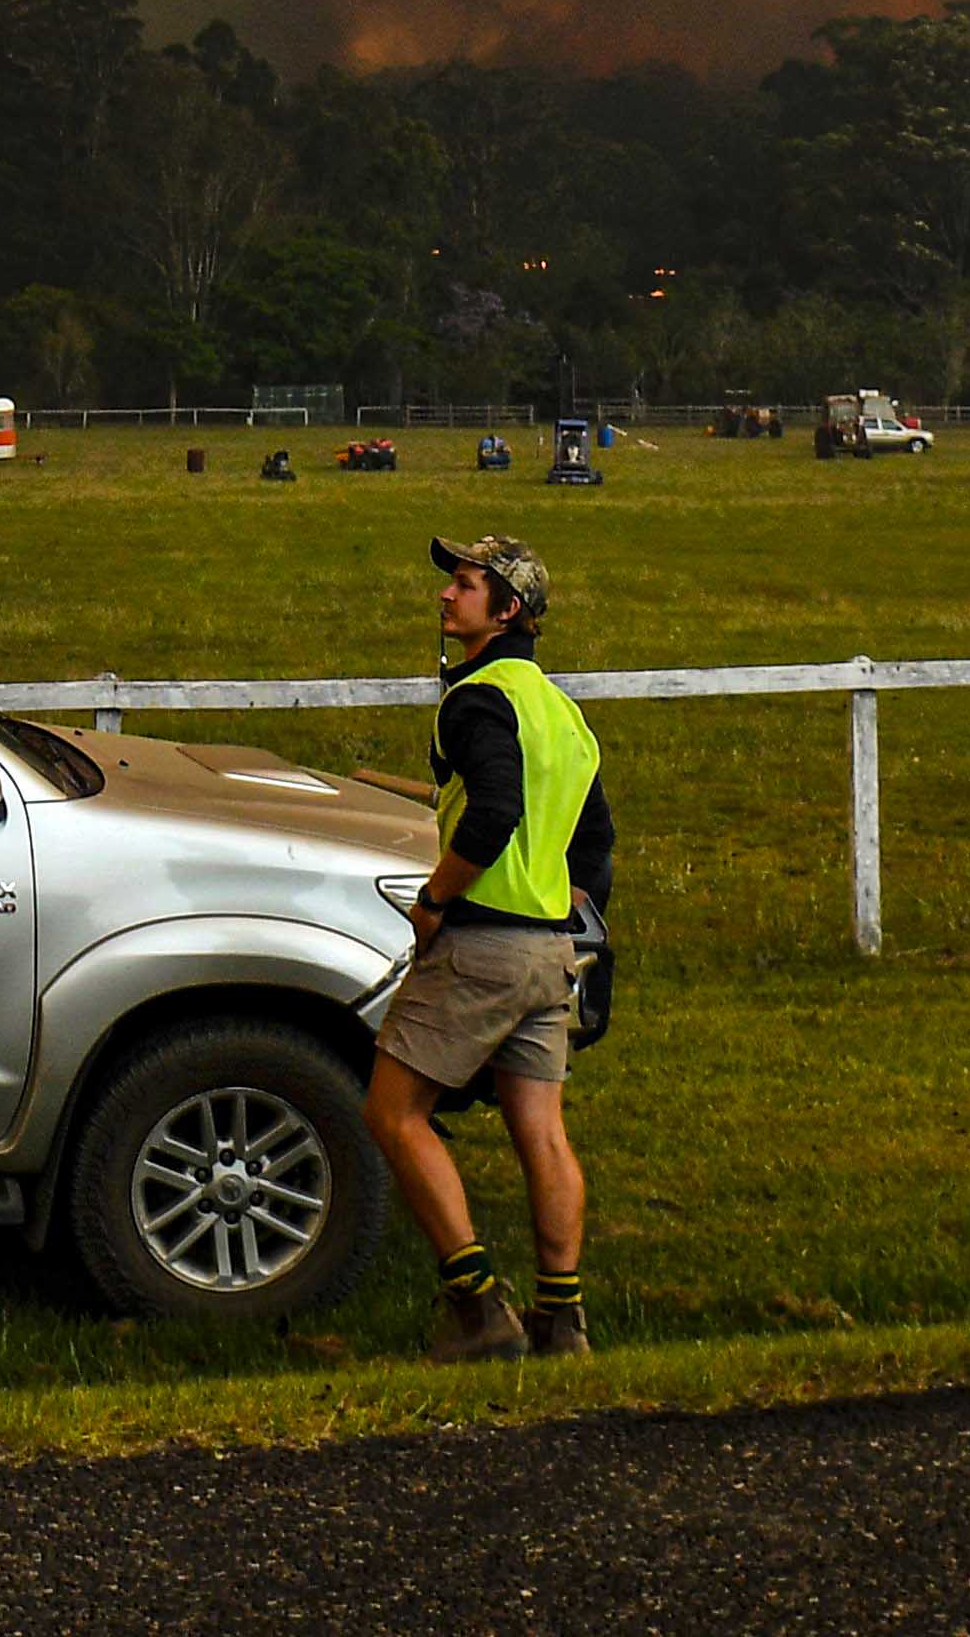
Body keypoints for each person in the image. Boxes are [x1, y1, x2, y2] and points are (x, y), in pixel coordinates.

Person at [369, 531, 612, 1361]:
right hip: (550, 953)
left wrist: (437, 898)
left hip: (482, 944)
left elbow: (496, 809)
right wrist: (569, 913)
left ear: (505, 610)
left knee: (393, 1113)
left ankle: (476, 1307)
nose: (446, 595)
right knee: (540, 1129)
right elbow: (597, 845)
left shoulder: (477, 698)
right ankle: (561, 1320)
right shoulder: (563, 714)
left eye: (465, 585)